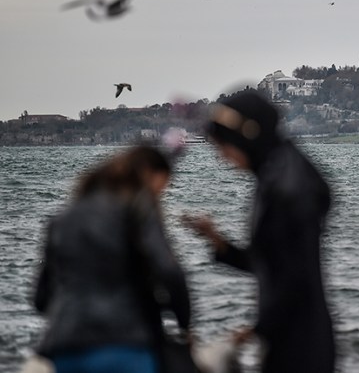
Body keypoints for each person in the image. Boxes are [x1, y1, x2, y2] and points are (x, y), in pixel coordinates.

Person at [183, 91, 336, 373]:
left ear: (247, 135)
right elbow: (269, 263)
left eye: (223, 146)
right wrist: (217, 240)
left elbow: (294, 274)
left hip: (300, 343)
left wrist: (259, 327)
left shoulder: (286, 188)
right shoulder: (276, 174)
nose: (222, 158)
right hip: (293, 335)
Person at [33, 145, 192, 373]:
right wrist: (184, 324)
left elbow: (41, 299)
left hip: (65, 348)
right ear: (151, 175)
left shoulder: (63, 219)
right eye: (162, 185)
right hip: (124, 345)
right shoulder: (137, 209)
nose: (160, 194)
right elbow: (168, 271)